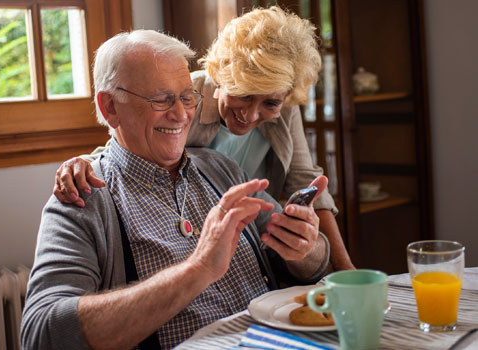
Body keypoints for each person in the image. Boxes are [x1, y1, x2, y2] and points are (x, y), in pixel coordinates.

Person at [21, 29, 330, 350]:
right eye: (161, 99)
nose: (181, 114)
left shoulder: (221, 169)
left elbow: (312, 268)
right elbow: (41, 335)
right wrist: (197, 269)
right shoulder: (81, 197)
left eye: (186, 97)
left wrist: (305, 246)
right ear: (110, 106)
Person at [52, 6, 355, 271]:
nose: (251, 115)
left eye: (269, 103)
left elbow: (307, 184)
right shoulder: (185, 98)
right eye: (244, 95)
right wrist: (82, 163)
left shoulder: (284, 110)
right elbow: (125, 142)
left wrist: (343, 267)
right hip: (189, 238)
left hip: (252, 239)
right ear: (222, 75)